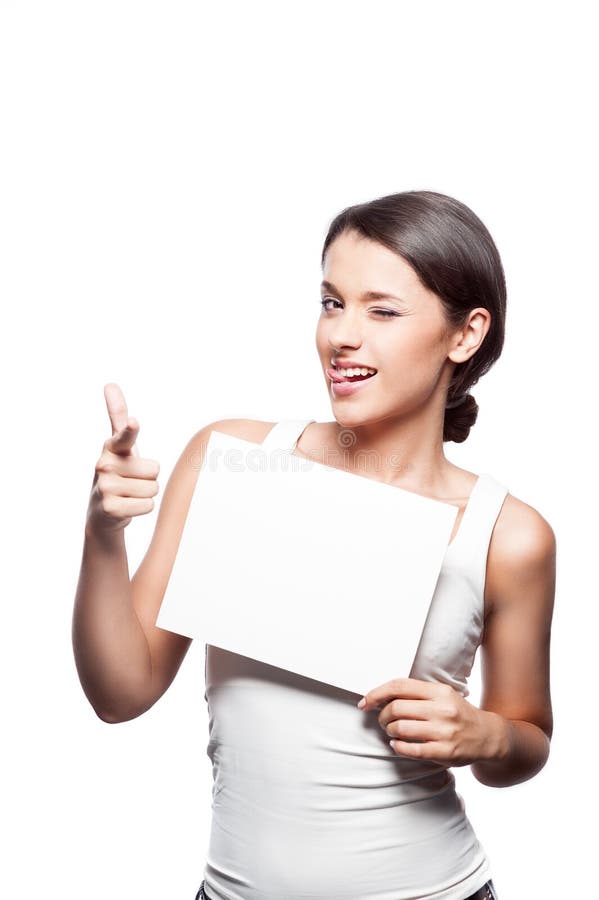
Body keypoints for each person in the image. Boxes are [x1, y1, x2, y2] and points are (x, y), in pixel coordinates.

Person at [72, 190, 555, 900]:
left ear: (464, 334)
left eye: (381, 310)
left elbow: (526, 738)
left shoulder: (507, 534)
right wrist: (103, 534)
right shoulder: (233, 458)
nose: (341, 336)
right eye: (332, 303)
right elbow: (121, 693)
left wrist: (487, 736)